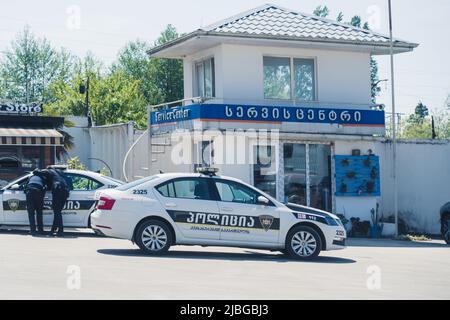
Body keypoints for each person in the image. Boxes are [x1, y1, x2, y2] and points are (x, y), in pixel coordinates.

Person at [34, 168, 71, 237]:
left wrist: (37, 170)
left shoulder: (48, 171)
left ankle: (60, 231)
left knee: (57, 212)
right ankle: (53, 230)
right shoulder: (59, 172)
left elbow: (36, 172)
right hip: (65, 190)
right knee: (58, 212)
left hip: (58, 189)